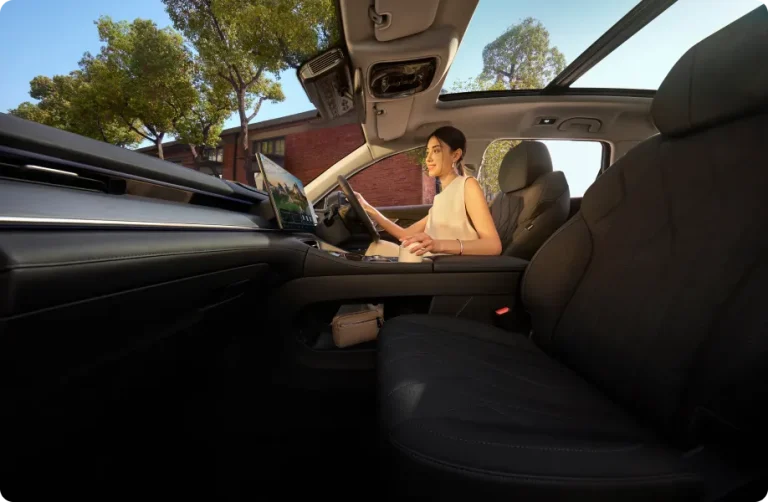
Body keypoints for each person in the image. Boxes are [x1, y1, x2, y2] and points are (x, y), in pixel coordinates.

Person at [355, 126, 502, 257]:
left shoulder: (468, 185)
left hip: (448, 270)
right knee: (376, 247)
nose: (428, 159)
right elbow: (405, 235)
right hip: (430, 264)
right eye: (427, 152)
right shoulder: (440, 198)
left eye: (436, 151)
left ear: (455, 155)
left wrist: (437, 245)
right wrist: (367, 207)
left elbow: (493, 245)